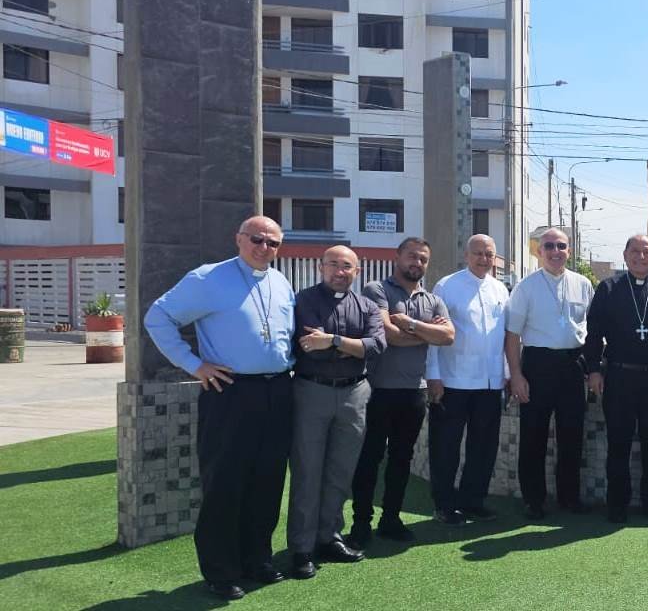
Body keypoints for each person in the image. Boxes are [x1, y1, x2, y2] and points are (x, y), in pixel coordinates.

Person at [144, 216, 296, 601]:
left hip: (278, 391)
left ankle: (257, 559)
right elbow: (158, 317)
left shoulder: (280, 281)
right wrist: (194, 365)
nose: (264, 248)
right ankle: (221, 571)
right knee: (225, 483)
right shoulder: (207, 278)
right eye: (257, 239)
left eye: (273, 243)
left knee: (268, 481)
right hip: (231, 391)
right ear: (239, 239)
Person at [287, 246, 386, 579]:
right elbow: (309, 347)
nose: (339, 271)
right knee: (307, 471)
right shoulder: (305, 300)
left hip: (354, 394)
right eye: (333, 264)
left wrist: (333, 341)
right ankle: (302, 548)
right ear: (321, 267)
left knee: (341, 471)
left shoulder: (367, 306)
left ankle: (329, 537)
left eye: (347, 266)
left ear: (357, 271)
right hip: (311, 392)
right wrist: (351, 346)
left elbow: (377, 346)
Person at [350, 237, 453, 546]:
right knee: (370, 458)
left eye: (423, 259)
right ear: (398, 256)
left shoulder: (432, 299)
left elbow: (448, 336)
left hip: (414, 391)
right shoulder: (377, 290)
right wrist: (427, 333)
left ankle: (390, 519)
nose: (416, 263)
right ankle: (361, 522)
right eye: (411, 256)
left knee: (402, 458)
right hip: (378, 389)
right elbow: (388, 335)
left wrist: (409, 324)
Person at [583, 234, 648, 524]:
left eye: (647, 252)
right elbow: (594, 333)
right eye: (635, 251)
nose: (641, 257)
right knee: (618, 442)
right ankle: (617, 503)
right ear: (625, 255)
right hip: (619, 377)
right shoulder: (608, 289)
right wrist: (594, 369)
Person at [506, 228, 595, 520]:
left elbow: (591, 330)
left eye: (561, 246)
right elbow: (512, 335)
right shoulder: (526, 287)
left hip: (572, 365)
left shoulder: (583, 284)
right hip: (538, 365)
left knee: (572, 435)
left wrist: (593, 367)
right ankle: (534, 500)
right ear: (539, 251)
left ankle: (569, 497)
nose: (555, 251)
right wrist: (516, 375)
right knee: (533, 435)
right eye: (549, 246)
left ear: (569, 250)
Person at [426, 234, 510, 525]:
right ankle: (444, 505)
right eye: (478, 253)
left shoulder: (500, 289)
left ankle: (473, 501)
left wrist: (507, 374)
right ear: (466, 255)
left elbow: (504, 336)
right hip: (453, 381)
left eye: (489, 254)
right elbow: (434, 335)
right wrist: (433, 375)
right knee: (446, 447)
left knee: (484, 447)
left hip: (490, 383)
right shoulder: (446, 286)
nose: (484, 259)